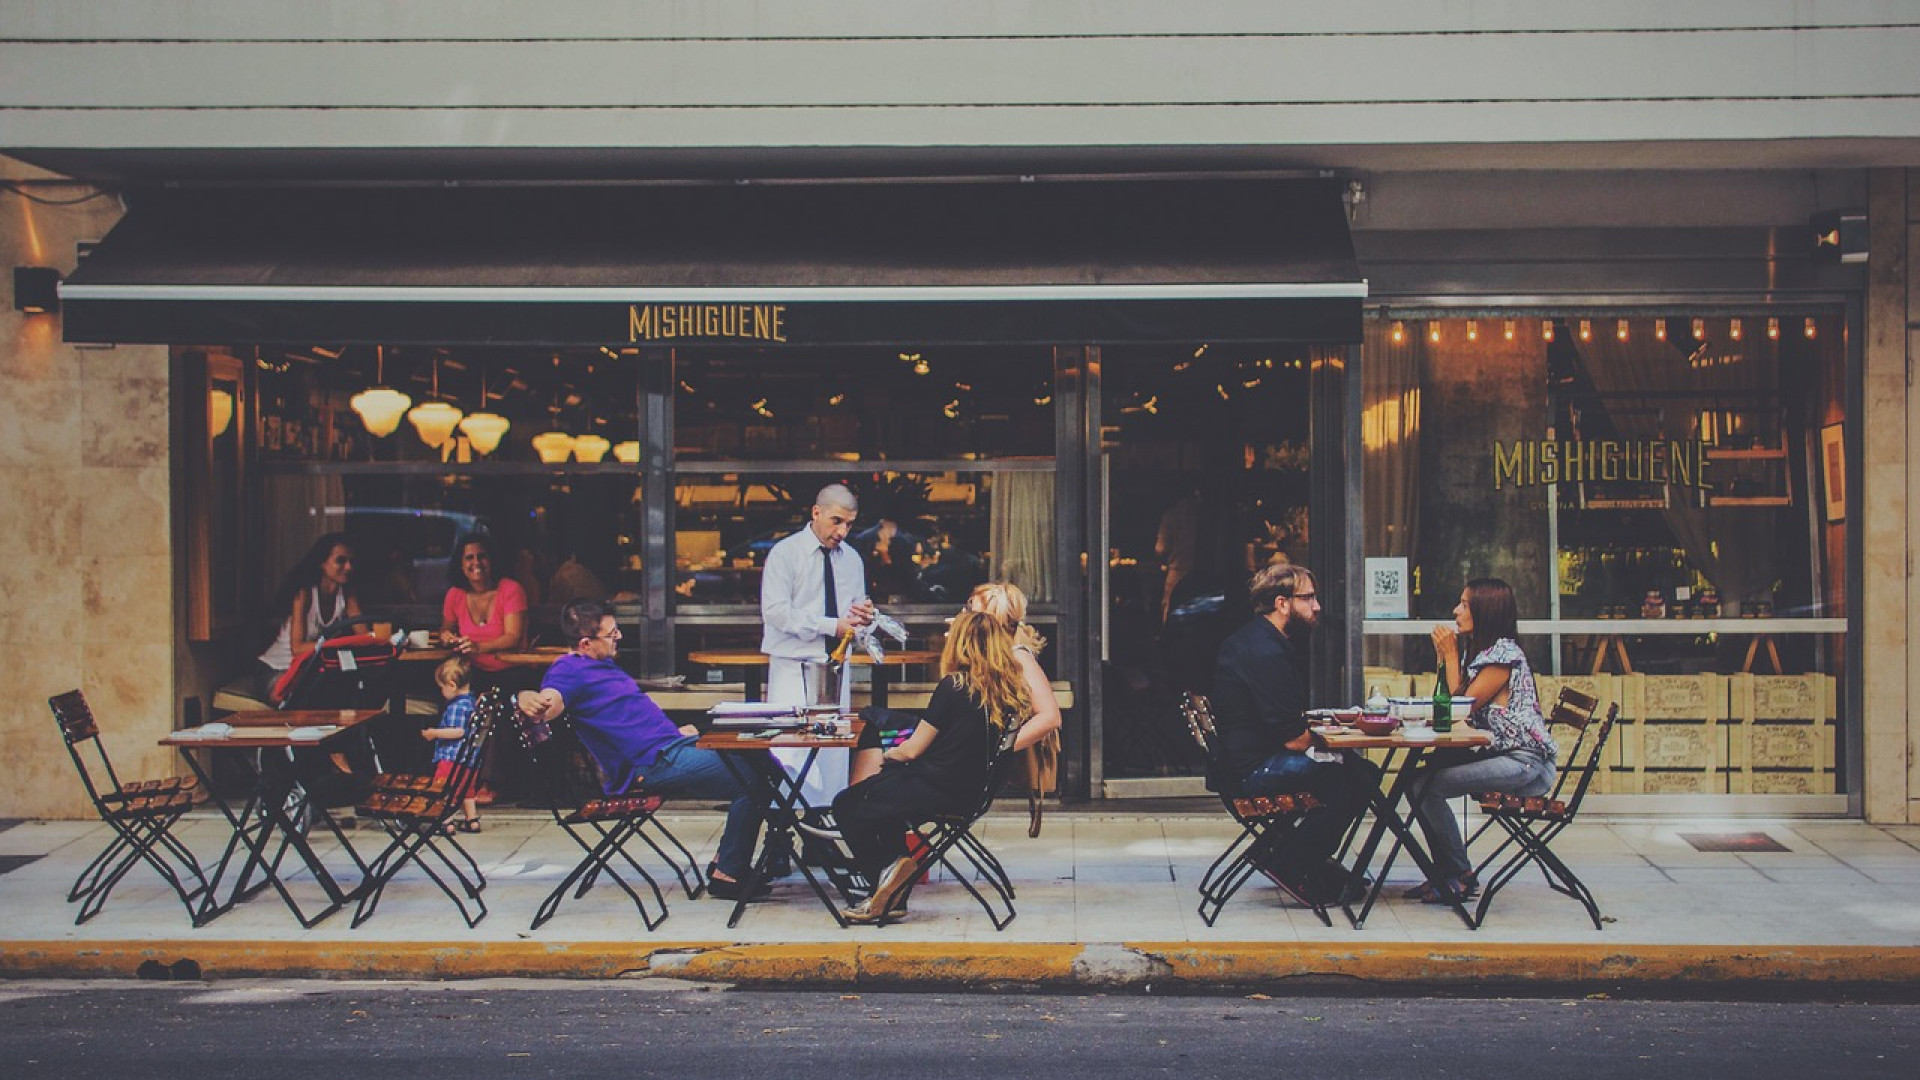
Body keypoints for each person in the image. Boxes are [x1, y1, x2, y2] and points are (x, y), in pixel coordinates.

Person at [518, 599, 770, 902]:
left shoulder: (603, 665)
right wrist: (527, 698)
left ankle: (726, 861)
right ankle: (728, 873)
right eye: (611, 634)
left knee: (764, 760)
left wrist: (675, 732)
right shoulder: (569, 670)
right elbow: (550, 702)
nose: (619, 637)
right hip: (651, 764)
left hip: (671, 745)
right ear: (585, 643)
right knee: (754, 776)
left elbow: (627, 716)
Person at [829, 609, 1030, 924]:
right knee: (884, 807)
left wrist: (886, 756)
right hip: (969, 794)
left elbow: (912, 750)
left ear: (961, 643)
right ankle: (892, 894)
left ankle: (887, 873)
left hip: (935, 789)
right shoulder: (1008, 691)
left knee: (846, 804)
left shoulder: (955, 686)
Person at [1210, 563, 1369, 905]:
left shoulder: (1258, 640)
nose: (1317, 606)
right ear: (1282, 603)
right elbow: (1293, 739)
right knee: (1348, 778)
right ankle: (1294, 864)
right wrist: (1336, 733)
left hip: (1243, 762)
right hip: (1255, 770)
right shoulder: (1265, 652)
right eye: (1308, 598)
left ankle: (1295, 854)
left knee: (1358, 772)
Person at [1408, 577, 1559, 904]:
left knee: (1425, 786)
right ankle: (1444, 872)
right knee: (1419, 778)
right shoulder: (1483, 653)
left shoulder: (1503, 656)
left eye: (1464, 604)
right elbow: (1450, 699)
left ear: (1485, 611)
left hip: (1524, 763)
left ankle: (1457, 874)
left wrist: (1449, 654)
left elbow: (1461, 708)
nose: (1456, 611)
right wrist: (1446, 657)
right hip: (1504, 754)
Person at [759, 483, 875, 804]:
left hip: (836, 670)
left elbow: (855, 616)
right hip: (793, 667)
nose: (843, 531)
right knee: (789, 754)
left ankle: (820, 836)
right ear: (816, 512)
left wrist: (864, 618)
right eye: (836, 521)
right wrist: (831, 625)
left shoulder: (851, 559)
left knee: (832, 757)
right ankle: (780, 837)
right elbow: (776, 612)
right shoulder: (786, 553)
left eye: (849, 524)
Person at [253, 532, 362, 703]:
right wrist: (339, 646)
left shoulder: (347, 594)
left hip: (308, 672)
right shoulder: (305, 594)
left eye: (351, 562)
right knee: (301, 699)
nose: (349, 567)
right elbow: (297, 648)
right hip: (278, 669)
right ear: (322, 563)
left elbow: (363, 636)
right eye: (340, 561)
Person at [439, 533, 528, 675]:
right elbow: (445, 632)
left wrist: (478, 648)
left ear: (491, 560)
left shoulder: (510, 589)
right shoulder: (455, 594)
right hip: (470, 673)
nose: (476, 562)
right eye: (469, 558)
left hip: (511, 671)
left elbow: (513, 637)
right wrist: (447, 638)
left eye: (481, 556)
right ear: (461, 565)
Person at [421, 656, 483, 834]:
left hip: (452, 758)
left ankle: (445, 820)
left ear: (452, 685)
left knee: (443, 790)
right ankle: (472, 819)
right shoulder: (472, 702)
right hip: (469, 760)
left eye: (442, 688)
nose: (441, 692)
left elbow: (458, 731)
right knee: (467, 791)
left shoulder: (457, 706)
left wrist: (434, 733)